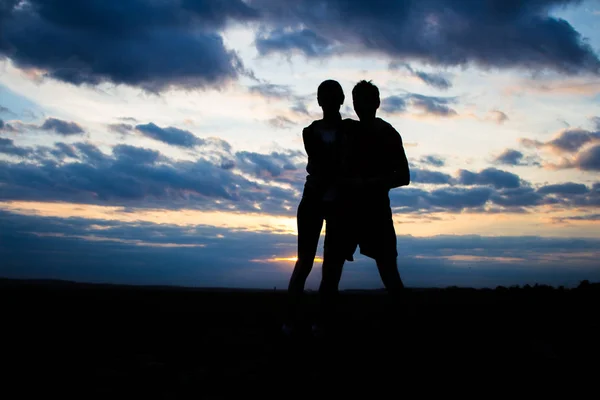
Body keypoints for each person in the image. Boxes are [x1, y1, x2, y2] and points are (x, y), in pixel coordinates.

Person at [317, 80, 410, 331]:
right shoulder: (347, 130)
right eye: (357, 102)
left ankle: (404, 326)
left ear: (377, 103)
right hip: (344, 211)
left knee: (389, 272)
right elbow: (321, 130)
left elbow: (403, 176)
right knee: (331, 272)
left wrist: (370, 183)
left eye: (366, 101)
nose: (361, 107)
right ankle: (324, 325)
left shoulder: (388, 134)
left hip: (375, 212)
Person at [283, 79, 353, 335]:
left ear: (341, 99)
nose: (330, 100)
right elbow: (325, 163)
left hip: (338, 203)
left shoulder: (351, 131)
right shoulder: (309, 131)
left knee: (332, 266)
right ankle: (291, 321)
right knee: (305, 262)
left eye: (335, 95)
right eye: (326, 95)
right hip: (314, 200)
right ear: (319, 100)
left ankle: (323, 321)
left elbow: (335, 164)